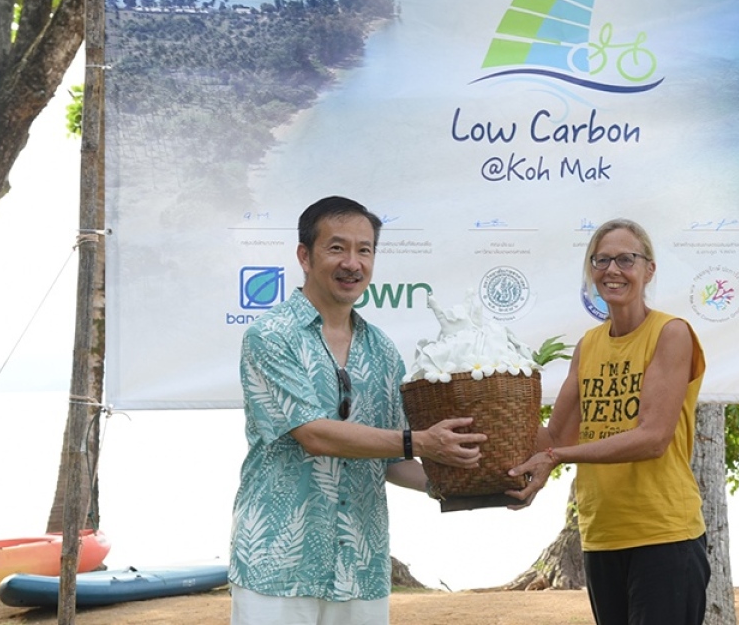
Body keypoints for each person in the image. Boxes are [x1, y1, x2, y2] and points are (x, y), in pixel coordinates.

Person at [229, 195, 486, 625]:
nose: (352, 263)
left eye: (364, 250)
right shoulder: (270, 336)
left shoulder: (382, 350)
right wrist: (421, 442)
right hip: (277, 565)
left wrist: (467, 487)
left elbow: (392, 459)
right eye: (337, 248)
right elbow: (314, 433)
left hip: (361, 566)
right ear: (305, 256)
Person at [506, 218, 710, 625]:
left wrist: (558, 456)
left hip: (665, 535)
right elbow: (553, 436)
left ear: (649, 269)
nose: (612, 270)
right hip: (601, 537)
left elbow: (652, 438)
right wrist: (494, 411)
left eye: (625, 259)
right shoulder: (588, 345)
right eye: (601, 260)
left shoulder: (671, 333)